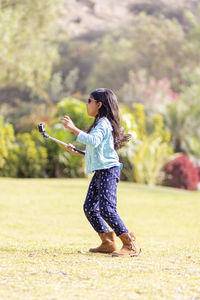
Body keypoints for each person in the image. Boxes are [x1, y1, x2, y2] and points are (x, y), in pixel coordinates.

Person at [61, 88, 141, 257]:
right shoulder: (100, 122)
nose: (86, 104)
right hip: (101, 171)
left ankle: (130, 244)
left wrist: (74, 129)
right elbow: (99, 151)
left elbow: (94, 140)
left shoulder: (104, 123)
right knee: (90, 207)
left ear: (99, 104)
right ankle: (108, 242)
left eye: (89, 101)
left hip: (108, 172)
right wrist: (79, 152)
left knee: (107, 209)